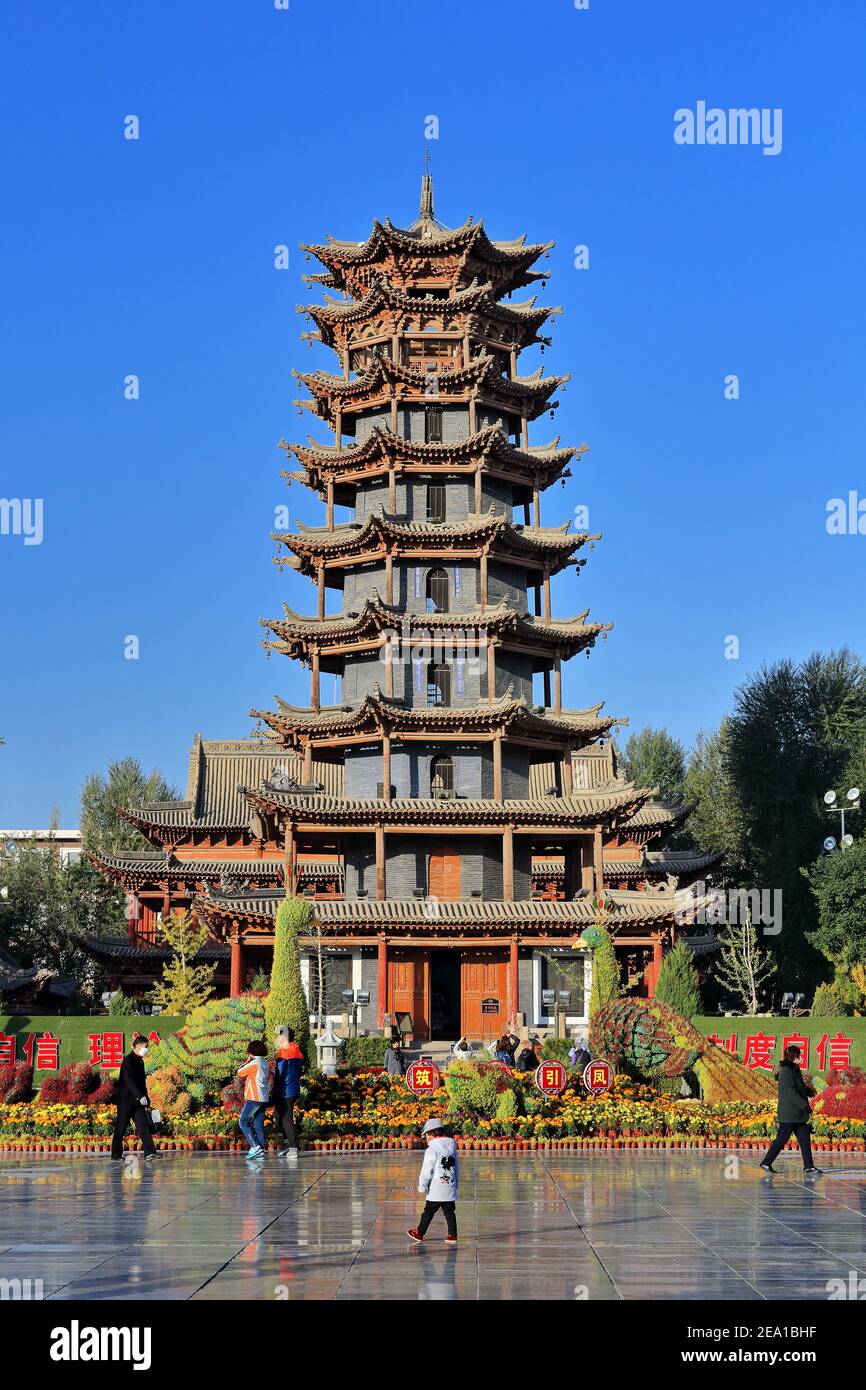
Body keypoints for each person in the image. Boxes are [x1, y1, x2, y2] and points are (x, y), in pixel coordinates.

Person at [759, 1044, 823, 1176]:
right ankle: (766, 1162)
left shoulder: (793, 1069)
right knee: (781, 1139)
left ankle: (809, 1167)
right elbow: (791, 1092)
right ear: (794, 1057)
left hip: (797, 1115)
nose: (800, 1058)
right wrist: (805, 1106)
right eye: (799, 1055)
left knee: (804, 1138)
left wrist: (807, 1091)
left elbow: (798, 1087)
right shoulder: (787, 1071)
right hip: (790, 1114)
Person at [407, 1119, 459, 1244]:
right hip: (449, 1186)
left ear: (431, 1134)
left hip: (436, 1188)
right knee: (449, 1211)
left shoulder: (432, 1149)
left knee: (428, 1212)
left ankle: (419, 1233)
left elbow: (427, 1170)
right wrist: (456, 1184)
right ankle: (452, 1235)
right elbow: (456, 1168)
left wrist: (423, 1185)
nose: (426, 1139)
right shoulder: (452, 1148)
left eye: (426, 1136)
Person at [111, 1034, 157, 1162]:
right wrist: (140, 1096)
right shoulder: (128, 1061)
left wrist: (146, 1098)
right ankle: (115, 1155)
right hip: (126, 1101)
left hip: (138, 1102)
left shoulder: (140, 1061)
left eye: (147, 1047)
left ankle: (150, 1153)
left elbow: (142, 1082)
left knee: (143, 1126)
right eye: (144, 1047)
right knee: (121, 1128)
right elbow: (129, 1081)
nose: (146, 1049)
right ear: (137, 1046)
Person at [272, 1029, 304, 1157]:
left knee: (285, 1118)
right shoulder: (296, 1050)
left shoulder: (284, 1052)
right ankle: (287, 1143)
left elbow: (279, 1073)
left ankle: (293, 1147)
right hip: (294, 1089)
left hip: (285, 1091)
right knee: (279, 1116)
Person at [237, 1040, 269, 1159]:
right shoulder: (264, 1062)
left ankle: (255, 1146)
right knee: (258, 1125)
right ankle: (260, 1150)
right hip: (263, 1098)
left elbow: (239, 1072)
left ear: (251, 1052)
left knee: (243, 1122)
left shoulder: (254, 1063)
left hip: (253, 1097)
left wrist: (247, 1060)